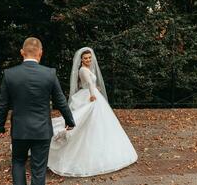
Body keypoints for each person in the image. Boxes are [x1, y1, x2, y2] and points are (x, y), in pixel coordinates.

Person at [0, 37, 76, 185]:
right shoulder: (49, 74)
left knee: (18, 162)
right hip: (42, 130)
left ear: (22, 52)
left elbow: (2, 104)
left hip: (19, 130)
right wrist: (69, 120)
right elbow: (61, 101)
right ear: (41, 53)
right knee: (38, 169)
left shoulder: (10, 74)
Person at [48, 47, 138, 177]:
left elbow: (90, 83)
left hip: (92, 93)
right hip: (90, 96)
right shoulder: (83, 70)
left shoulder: (87, 69)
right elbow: (89, 83)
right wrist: (92, 94)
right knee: (87, 121)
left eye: (90, 58)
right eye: (85, 58)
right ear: (81, 60)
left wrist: (95, 89)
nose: (88, 60)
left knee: (98, 123)